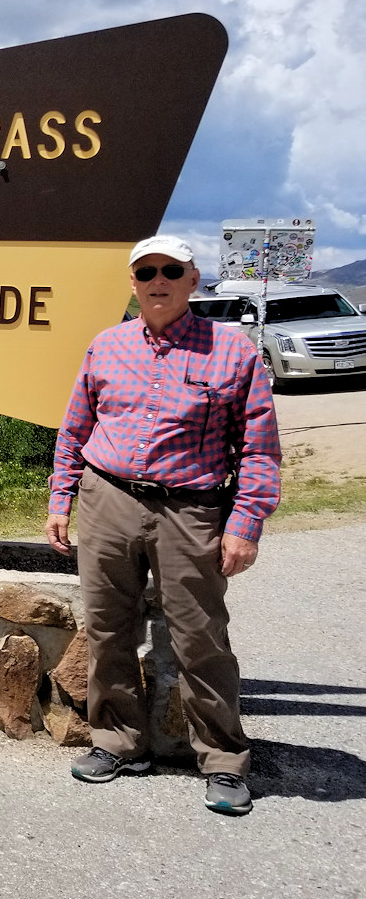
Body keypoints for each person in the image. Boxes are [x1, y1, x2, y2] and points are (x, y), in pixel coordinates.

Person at [45, 235, 281, 816]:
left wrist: (245, 523)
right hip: (108, 499)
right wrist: (61, 498)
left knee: (201, 637)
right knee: (106, 628)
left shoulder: (233, 354)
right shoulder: (107, 347)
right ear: (133, 282)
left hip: (191, 508)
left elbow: (258, 449)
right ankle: (119, 743)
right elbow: (75, 429)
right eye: (146, 271)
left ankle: (224, 761)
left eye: (170, 270)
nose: (158, 280)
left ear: (192, 279)